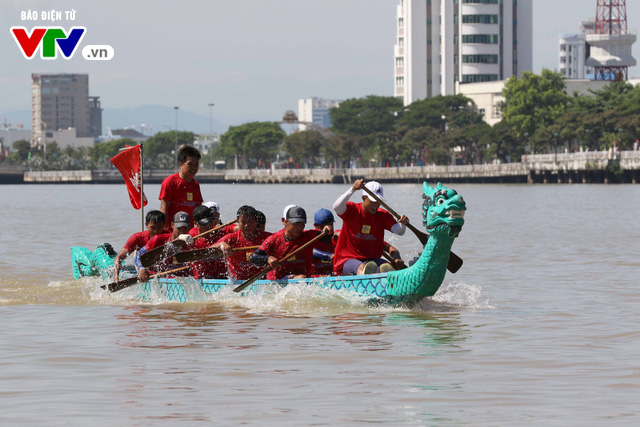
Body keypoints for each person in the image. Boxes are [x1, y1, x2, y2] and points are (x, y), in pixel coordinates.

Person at [332, 179, 409, 275]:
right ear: (363, 198)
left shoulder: (383, 215)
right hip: (347, 260)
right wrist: (353, 189)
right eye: (373, 201)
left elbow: (399, 231)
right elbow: (336, 206)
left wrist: (403, 223)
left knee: (386, 267)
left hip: (372, 260)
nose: (376, 205)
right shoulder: (352, 210)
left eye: (379, 201)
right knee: (362, 268)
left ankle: (390, 284)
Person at [250, 205, 331, 280]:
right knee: (301, 278)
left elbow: (325, 236)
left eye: (302, 224)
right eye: (296, 223)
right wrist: (268, 258)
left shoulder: (308, 236)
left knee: (301, 277)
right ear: (285, 222)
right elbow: (254, 257)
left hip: (302, 279)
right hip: (279, 282)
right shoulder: (274, 239)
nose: (300, 227)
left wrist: (328, 230)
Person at [212, 205, 272, 280]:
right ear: (238, 222)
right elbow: (210, 249)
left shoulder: (267, 237)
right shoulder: (231, 238)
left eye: (250, 222)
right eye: (243, 222)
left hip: (261, 281)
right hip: (237, 282)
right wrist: (221, 244)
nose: (246, 225)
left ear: (256, 221)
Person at [134, 211, 194, 282]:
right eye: (179, 228)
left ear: (190, 227)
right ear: (172, 225)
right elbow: (138, 256)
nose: (182, 231)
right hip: (159, 277)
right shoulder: (158, 239)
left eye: (185, 228)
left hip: (182, 277)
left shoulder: (192, 242)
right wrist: (141, 269)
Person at [158, 145, 203, 229]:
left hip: (189, 233)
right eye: (190, 164)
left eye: (196, 164)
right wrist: (164, 232)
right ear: (181, 164)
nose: (193, 168)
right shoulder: (170, 182)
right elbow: (163, 208)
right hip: (172, 232)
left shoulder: (196, 185)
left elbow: (198, 212)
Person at [113, 210, 165, 280]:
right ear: (146, 225)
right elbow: (119, 258)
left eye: (159, 227)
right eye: (152, 227)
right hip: (141, 266)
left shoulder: (169, 237)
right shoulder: (137, 238)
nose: (156, 231)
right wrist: (116, 277)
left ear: (164, 226)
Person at [187, 205, 234, 279]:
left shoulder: (219, 230)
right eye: (204, 224)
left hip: (222, 278)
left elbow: (238, 229)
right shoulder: (192, 235)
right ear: (196, 224)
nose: (209, 226)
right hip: (201, 279)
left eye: (210, 222)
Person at [310, 208, 339, 276]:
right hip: (314, 276)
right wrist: (329, 256)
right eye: (324, 226)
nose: (329, 228)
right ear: (315, 226)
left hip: (332, 275)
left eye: (330, 225)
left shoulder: (336, 237)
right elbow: (310, 250)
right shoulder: (311, 236)